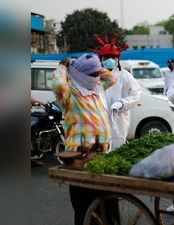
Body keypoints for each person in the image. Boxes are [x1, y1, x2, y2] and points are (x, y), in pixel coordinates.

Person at [52, 53, 117, 225]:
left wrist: (94, 66)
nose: (97, 77)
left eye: (97, 74)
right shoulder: (69, 94)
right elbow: (58, 83)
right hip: (79, 160)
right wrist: (64, 67)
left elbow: (112, 78)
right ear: (81, 75)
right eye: (93, 74)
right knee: (85, 208)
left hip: (102, 156)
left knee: (108, 204)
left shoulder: (97, 89)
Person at [95, 35, 142, 150]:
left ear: (118, 59)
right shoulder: (95, 76)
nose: (110, 60)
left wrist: (122, 103)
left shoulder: (124, 75)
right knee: (100, 150)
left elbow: (136, 94)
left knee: (117, 147)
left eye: (113, 57)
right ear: (101, 59)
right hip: (99, 119)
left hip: (119, 119)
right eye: (106, 58)